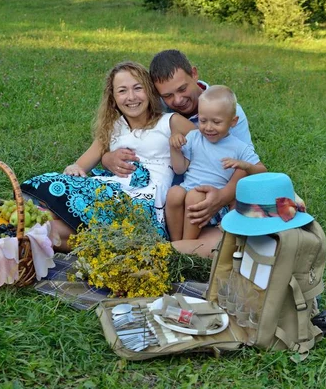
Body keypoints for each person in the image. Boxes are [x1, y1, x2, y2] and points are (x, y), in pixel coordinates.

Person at [102, 50, 267, 256]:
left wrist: (222, 197)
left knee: (242, 231)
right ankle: (178, 246)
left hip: (216, 188)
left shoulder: (225, 110)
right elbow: (117, 129)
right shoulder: (155, 106)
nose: (178, 100)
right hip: (170, 189)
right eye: (168, 95)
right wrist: (107, 157)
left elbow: (243, 166)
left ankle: (176, 250)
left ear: (194, 75)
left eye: (182, 89)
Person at [20, 61, 196, 252]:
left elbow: (208, 146)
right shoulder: (113, 127)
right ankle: (32, 231)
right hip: (112, 188)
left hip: (145, 201)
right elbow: (80, 165)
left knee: (72, 215)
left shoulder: (169, 122)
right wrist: (75, 167)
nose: (131, 97)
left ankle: (33, 232)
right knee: (47, 184)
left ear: (150, 91)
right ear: (113, 97)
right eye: (122, 91)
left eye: (138, 88)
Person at [166, 85, 266, 241]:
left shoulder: (239, 147)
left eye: (216, 122)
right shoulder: (194, 137)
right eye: (203, 120)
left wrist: (245, 166)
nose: (208, 128)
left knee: (194, 197)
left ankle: (186, 245)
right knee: (174, 193)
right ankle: (175, 240)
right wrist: (175, 148)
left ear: (233, 122)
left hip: (215, 204)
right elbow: (180, 169)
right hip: (189, 188)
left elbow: (263, 171)